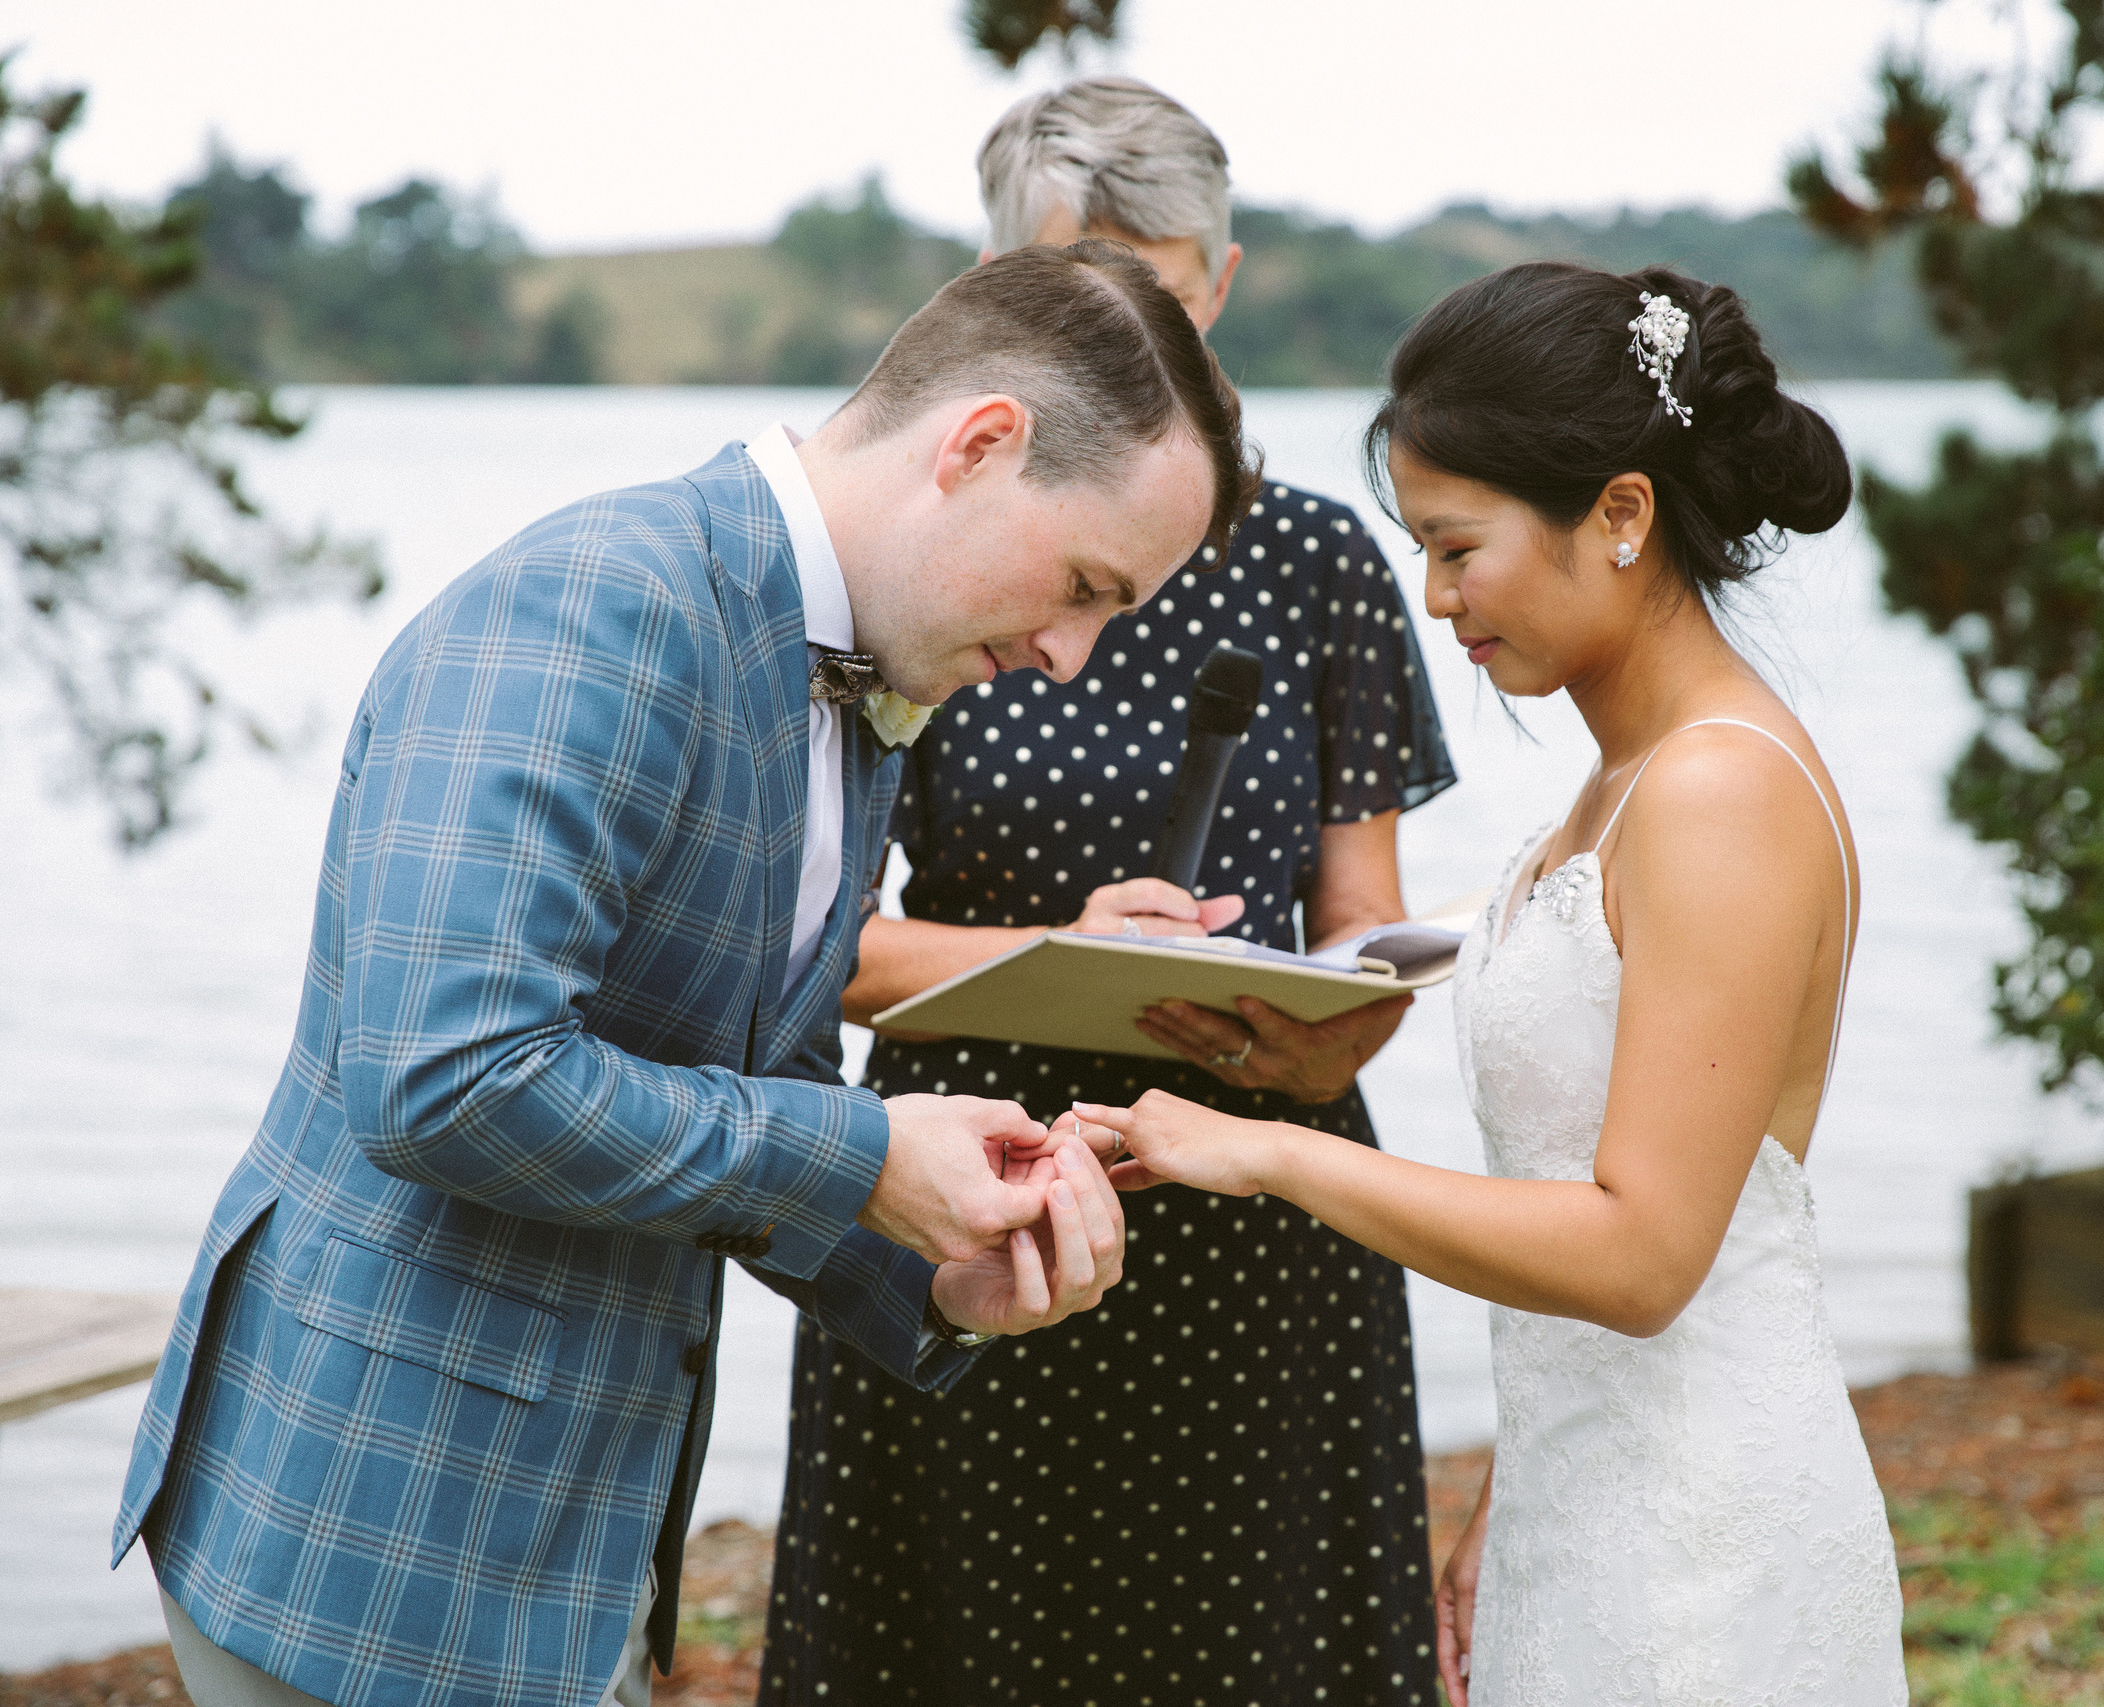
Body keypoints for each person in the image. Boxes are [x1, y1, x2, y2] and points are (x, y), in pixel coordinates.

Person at [111, 239, 1256, 1707]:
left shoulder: (858, 675)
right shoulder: (595, 605)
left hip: (573, 1550)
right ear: (979, 444)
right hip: (367, 1538)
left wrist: (936, 1271)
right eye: (1085, 585)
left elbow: (744, 1087)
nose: (1071, 657)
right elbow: (445, 1078)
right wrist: (862, 1152)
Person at [1082, 262, 1910, 1706]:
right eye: (1421, 548)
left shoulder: (1717, 791)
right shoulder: (1622, 783)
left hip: (1704, 1557)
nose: (1435, 597)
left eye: (1459, 547)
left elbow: (1644, 1255)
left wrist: (1272, 1155)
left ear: (1623, 515)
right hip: (1590, 1502)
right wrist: (1513, 1490)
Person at [760, 77, 1459, 1707]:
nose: (1138, 328)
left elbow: (1363, 910)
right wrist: (1051, 949)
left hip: (1251, 1201)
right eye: (1089, 288)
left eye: (1167, 286)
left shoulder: (1319, 564)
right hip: (965, 1193)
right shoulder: (917, 569)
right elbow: (811, 951)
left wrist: (1339, 1026)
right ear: (999, 295)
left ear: (1225, 278)